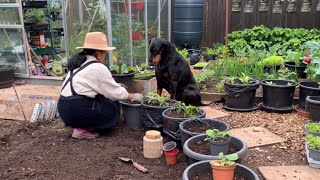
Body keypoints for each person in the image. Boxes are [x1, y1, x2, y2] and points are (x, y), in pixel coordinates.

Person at [57, 32, 142, 139]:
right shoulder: (97, 68)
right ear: (98, 52)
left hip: (64, 110)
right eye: (105, 53)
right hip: (77, 111)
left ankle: (80, 126)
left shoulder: (78, 63)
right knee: (113, 107)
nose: (105, 56)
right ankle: (83, 129)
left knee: (101, 98)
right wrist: (134, 97)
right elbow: (115, 93)